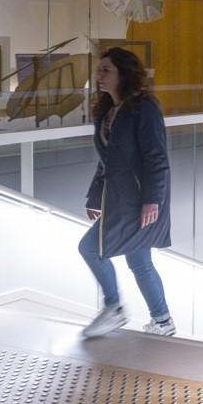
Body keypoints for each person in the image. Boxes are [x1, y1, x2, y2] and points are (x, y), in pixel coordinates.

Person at [78, 47, 175, 339]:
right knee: (139, 261)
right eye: (99, 70)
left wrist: (152, 199)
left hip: (138, 201)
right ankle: (163, 320)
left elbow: (156, 157)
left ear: (124, 73)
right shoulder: (107, 111)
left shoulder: (143, 107)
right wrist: (95, 195)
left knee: (90, 248)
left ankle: (114, 308)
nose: (100, 75)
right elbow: (106, 160)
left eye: (106, 70)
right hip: (120, 199)